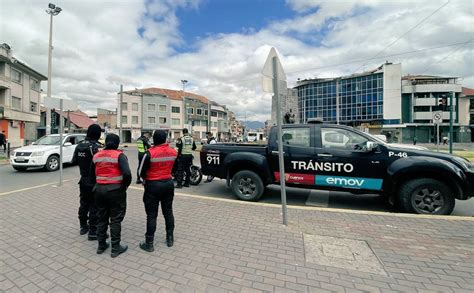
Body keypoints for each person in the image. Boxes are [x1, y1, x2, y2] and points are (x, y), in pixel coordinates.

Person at [92, 134, 132, 257]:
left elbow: (91, 173)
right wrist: (124, 186)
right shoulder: (119, 156)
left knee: (101, 217)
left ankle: (101, 245)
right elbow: (127, 174)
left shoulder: (97, 155)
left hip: (99, 190)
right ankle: (115, 248)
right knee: (115, 219)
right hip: (115, 190)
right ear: (117, 143)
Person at [138, 130, 177, 252]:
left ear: (154, 139)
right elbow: (175, 169)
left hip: (152, 186)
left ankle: (149, 243)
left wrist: (145, 181)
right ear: (165, 139)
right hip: (168, 184)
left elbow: (140, 172)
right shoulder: (173, 152)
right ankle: (170, 239)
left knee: (151, 215)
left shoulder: (149, 153)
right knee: (168, 212)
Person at [73, 124, 102, 240]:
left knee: (83, 203)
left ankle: (83, 227)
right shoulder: (94, 147)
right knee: (94, 205)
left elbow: (75, 160)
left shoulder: (79, 145)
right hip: (94, 180)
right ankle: (93, 232)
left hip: (83, 179)